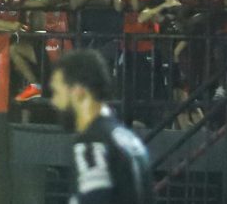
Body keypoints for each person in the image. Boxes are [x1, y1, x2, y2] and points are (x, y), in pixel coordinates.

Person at [48, 49, 152, 204]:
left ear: (79, 92)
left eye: (57, 92)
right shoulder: (129, 139)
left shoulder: (92, 143)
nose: (54, 102)